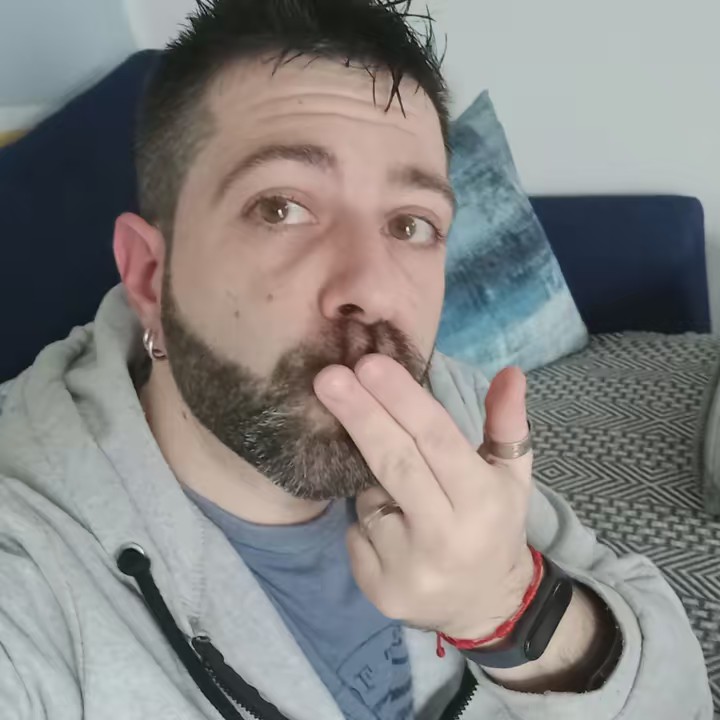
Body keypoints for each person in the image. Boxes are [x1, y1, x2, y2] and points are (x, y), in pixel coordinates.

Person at [0, 1, 712, 718]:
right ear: (151, 277)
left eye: (411, 224)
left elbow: (677, 694)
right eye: (281, 207)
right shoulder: (28, 571)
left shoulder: (447, 407)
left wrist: (505, 606)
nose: (373, 291)